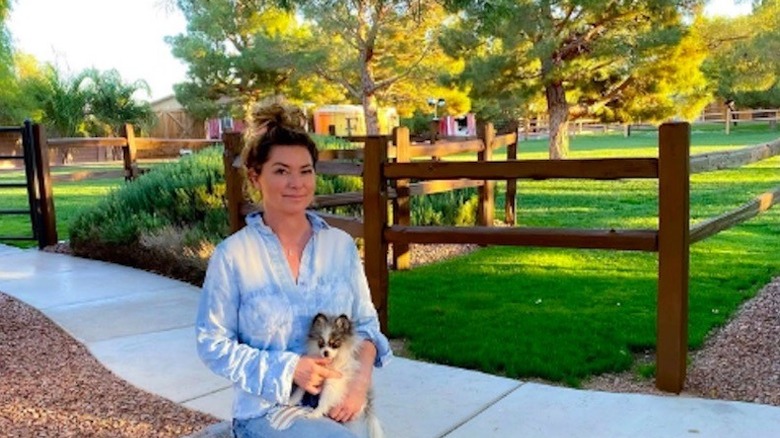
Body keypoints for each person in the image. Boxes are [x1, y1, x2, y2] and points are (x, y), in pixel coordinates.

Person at [195, 100, 392, 438]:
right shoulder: (234, 257)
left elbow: (367, 326)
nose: (296, 183)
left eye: (305, 171)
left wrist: (359, 385)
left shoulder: (340, 247)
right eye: (281, 171)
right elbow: (212, 343)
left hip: (336, 403)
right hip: (266, 410)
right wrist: (289, 370)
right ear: (256, 176)